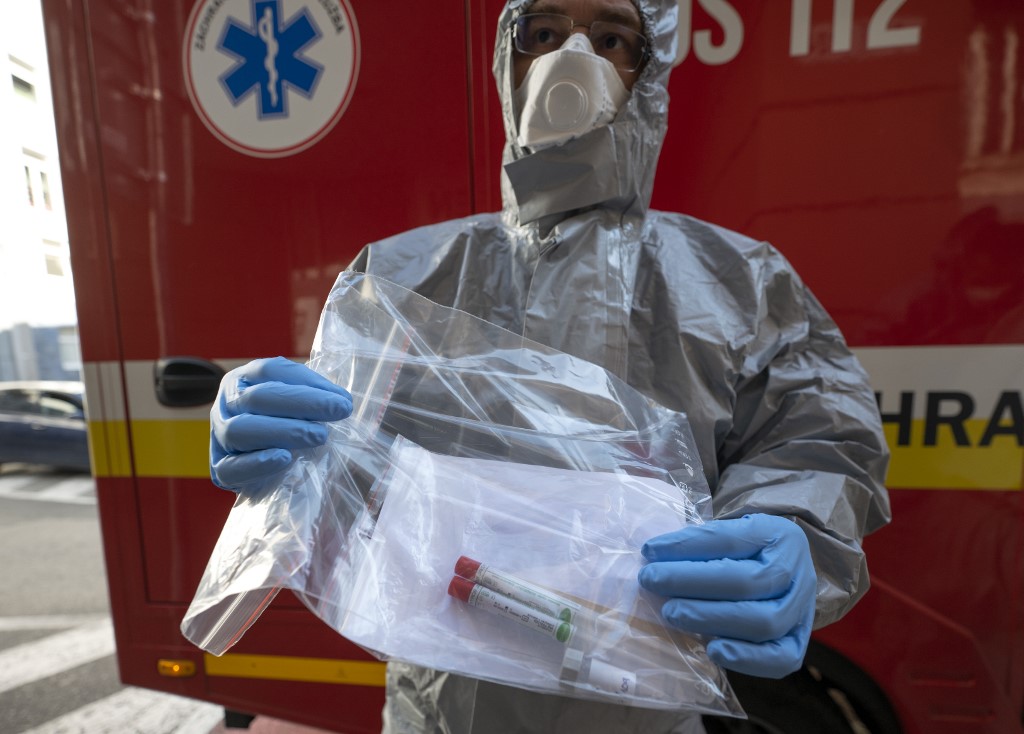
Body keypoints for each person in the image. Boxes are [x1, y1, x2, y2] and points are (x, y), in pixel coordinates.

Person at [209, 0, 892, 731]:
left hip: (645, 713)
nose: (574, 57)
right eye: (545, 33)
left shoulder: (742, 282)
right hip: (442, 712)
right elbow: (341, 484)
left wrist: (789, 526)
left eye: (611, 38)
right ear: (510, 61)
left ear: (648, 70)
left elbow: (821, 442)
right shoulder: (401, 277)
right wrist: (282, 456)